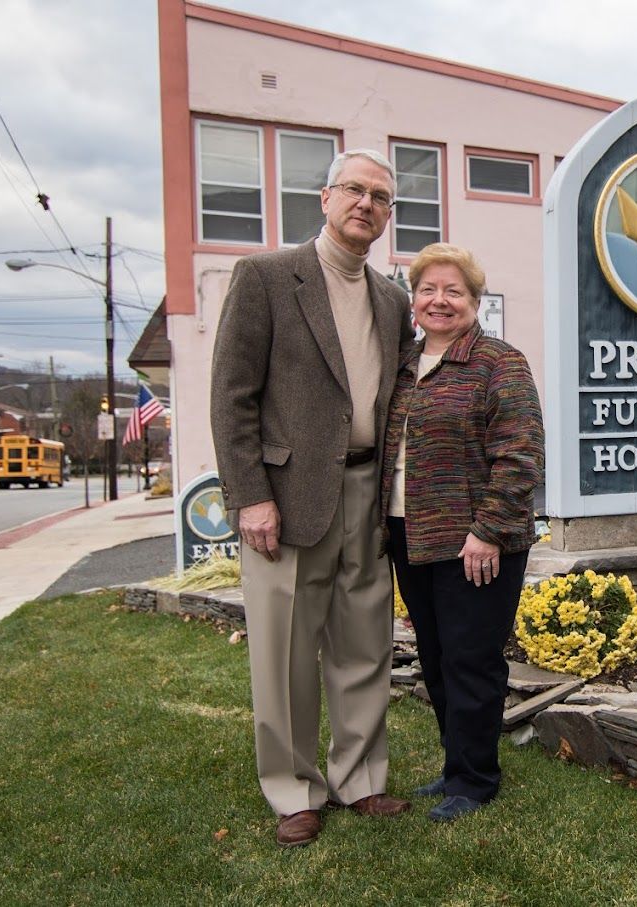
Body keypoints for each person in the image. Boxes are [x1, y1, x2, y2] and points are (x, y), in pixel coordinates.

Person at [210, 148, 415, 847]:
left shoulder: (393, 299)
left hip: (366, 491)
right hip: (287, 496)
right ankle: (294, 788)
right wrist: (250, 496)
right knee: (285, 650)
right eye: (355, 190)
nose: (367, 203)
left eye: (381, 197)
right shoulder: (267, 277)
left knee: (365, 643)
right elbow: (231, 397)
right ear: (324, 198)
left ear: (388, 217)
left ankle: (360, 778)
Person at [382, 243, 544, 822]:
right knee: (435, 656)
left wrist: (490, 531)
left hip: (476, 542)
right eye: (428, 290)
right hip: (410, 535)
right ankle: (457, 767)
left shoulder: (500, 362)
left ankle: (475, 781)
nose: (439, 301)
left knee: (472, 659)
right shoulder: (403, 365)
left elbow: (521, 455)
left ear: (475, 302)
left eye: (454, 291)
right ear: (413, 299)